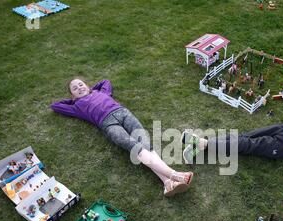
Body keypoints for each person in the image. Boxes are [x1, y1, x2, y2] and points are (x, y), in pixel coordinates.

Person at [50, 78, 193, 196]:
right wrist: (73, 100)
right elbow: (55, 106)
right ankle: (174, 174)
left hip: (123, 113)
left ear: (87, 85)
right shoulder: (77, 107)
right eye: (75, 88)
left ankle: (167, 183)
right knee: (135, 147)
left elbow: (105, 81)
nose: (79, 87)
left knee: (145, 143)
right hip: (108, 124)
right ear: (72, 95)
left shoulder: (101, 92)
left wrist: (91, 90)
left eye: (81, 84)